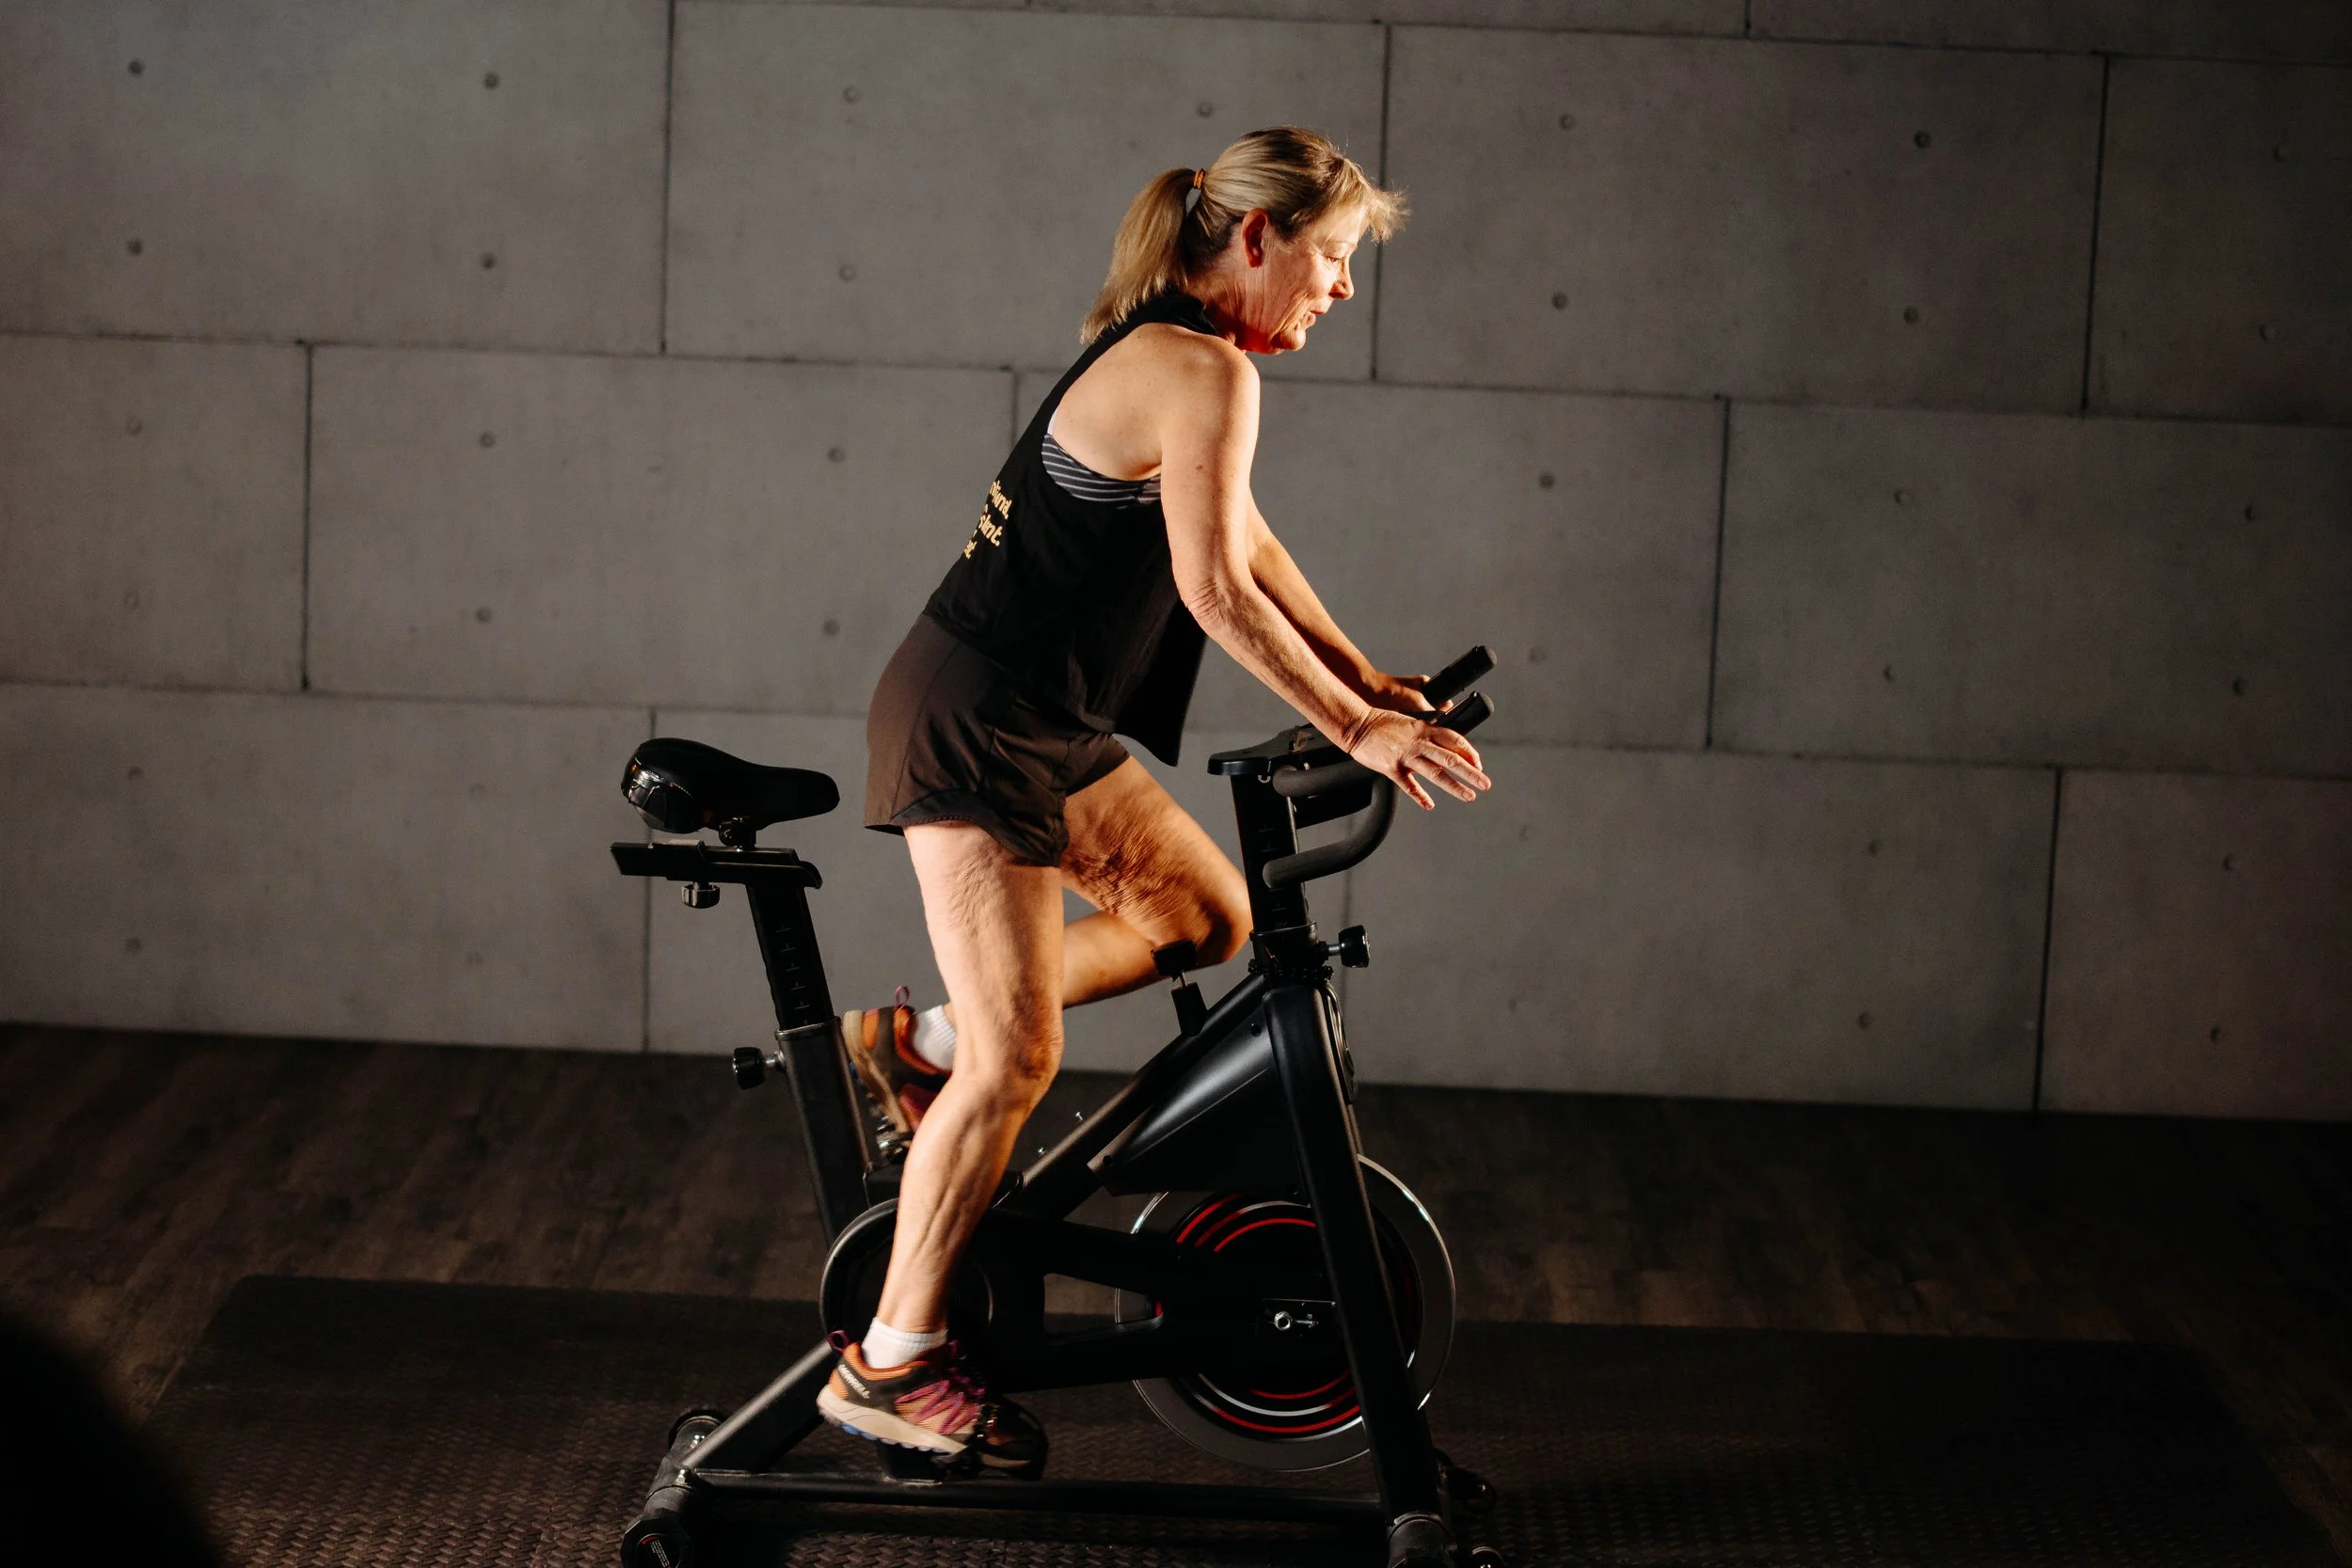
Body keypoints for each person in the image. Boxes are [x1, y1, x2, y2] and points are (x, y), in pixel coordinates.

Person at [818, 126, 1490, 1473]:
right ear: (1259, 239)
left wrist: (1364, 672)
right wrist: (1350, 724)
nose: (1342, 290)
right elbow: (1212, 589)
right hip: (977, 719)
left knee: (1204, 918)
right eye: (1336, 260)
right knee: (1025, 1058)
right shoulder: (1194, 370)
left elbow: (1245, 538)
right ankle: (887, 1363)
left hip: (1036, 717)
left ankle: (920, 1046)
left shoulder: (1194, 366)